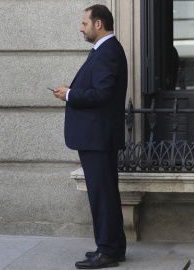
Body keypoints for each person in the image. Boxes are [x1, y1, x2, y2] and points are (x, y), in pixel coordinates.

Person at [52, 4, 127, 269]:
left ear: (98, 24)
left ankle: (107, 251)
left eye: (84, 23)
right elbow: (97, 89)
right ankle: (114, 247)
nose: (80, 28)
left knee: (101, 194)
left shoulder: (108, 51)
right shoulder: (105, 50)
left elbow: (102, 93)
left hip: (98, 137)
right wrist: (72, 90)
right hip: (98, 136)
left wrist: (70, 95)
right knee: (105, 193)